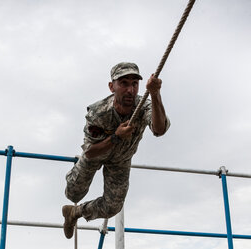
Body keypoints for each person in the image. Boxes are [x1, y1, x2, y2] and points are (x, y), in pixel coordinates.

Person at [62, 62, 170, 238]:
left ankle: (75, 213)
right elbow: (90, 152)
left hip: (121, 160)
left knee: (113, 206)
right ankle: (73, 199)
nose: (130, 90)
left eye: (135, 84)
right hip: (96, 154)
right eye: (124, 83)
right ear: (112, 87)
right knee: (73, 193)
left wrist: (156, 94)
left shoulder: (145, 106)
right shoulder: (98, 112)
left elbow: (159, 130)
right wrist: (116, 137)